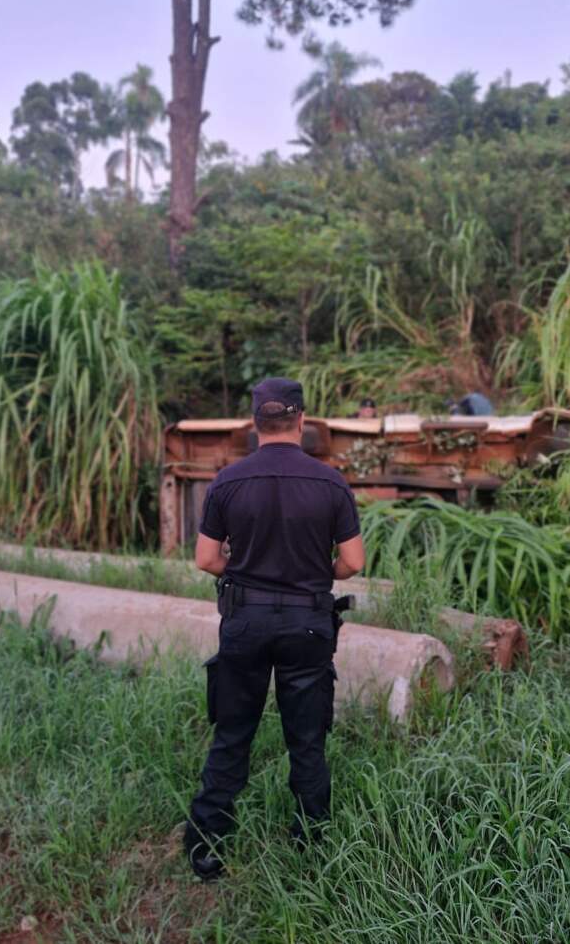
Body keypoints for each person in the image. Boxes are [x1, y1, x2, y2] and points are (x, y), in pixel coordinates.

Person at [184, 376, 365, 881]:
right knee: (307, 738)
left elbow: (204, 558)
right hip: (308, 622)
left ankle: (207, 848)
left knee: (233, 732)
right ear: (302, 423)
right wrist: (311, 573)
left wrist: (244, 573)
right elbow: (352, 560)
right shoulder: (330, 482)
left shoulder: (229, 480)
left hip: (245, 620)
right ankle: (310, 844)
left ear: (255, 425)